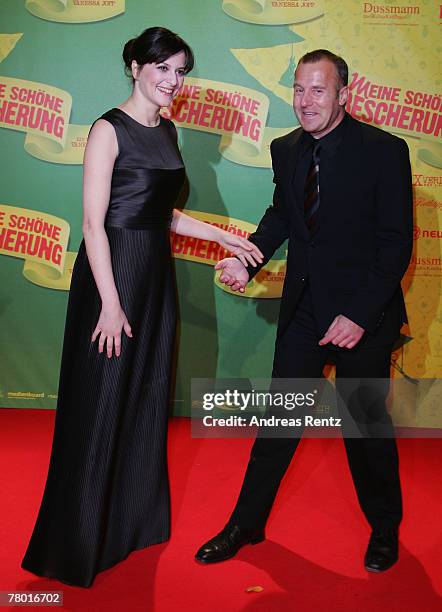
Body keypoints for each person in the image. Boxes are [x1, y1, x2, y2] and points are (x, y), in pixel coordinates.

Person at [21, 26, 262, 588]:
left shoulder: (169, 130)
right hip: (112, 277)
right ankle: (77, 542)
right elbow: (93, 224)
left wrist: (220, 236)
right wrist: (109, 304)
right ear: (134, 66)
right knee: (100, 403)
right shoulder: (108, 129)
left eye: (180, 71)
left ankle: (129, 525)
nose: (173, 81)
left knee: (146, 398)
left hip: (154, 277)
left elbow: (164, 215)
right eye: (163, 68)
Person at [196, 49, 413, 572]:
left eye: (319, 90)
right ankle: (247, 524)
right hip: (306, 312)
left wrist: (359, 315)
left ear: (344, 94)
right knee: (279, 422)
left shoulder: (384, 150)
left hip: (365, 316)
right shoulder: (286, 148)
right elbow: (282, 215)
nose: (305, 101)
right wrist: (247, 263)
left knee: (364, 426)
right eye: (299, 89)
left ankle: (385, 530)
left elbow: (396, 243)